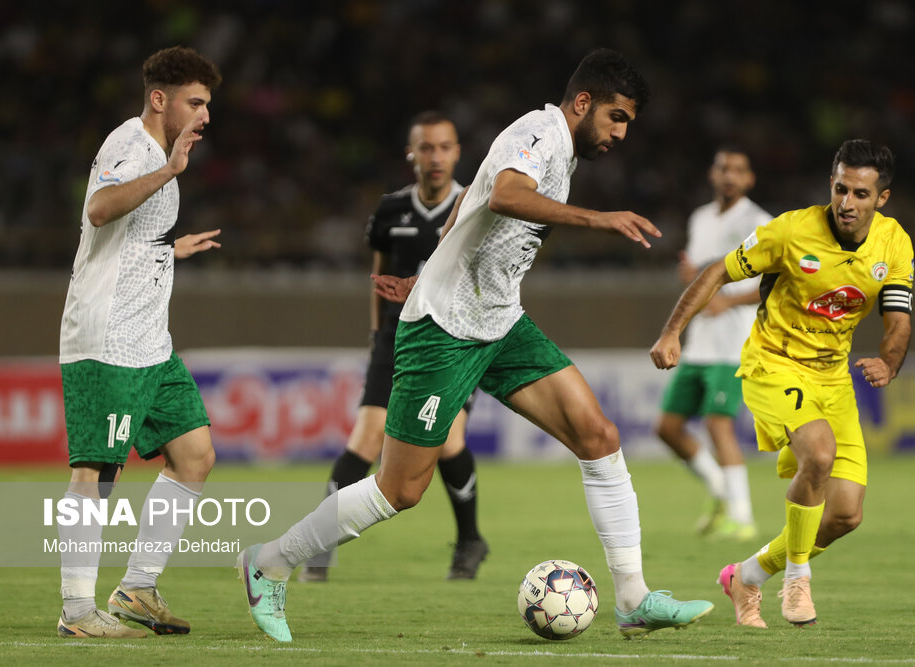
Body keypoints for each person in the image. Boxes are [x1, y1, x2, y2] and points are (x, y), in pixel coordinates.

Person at [238, 48, 714, 643]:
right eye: (616, 117)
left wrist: (431, 266)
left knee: (599, 436)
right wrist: (598, 219)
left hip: (500, 321)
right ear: (583, 102)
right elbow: (506, 195)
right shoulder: (539, 132)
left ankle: (634, 600)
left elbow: (469, 202)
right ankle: (269, 562)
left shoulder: (559, 151)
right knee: (400, 489)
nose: (621, 133)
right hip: (442, 331)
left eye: (628, 123)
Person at [650, 139, 913, 628]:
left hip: (832, 377)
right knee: (818, 455)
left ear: (882, 198)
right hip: (774, 364)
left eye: (860, 193)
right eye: (840, 189)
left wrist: (890, 361)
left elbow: (897, 319)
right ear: (830, 185)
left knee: (845, 516)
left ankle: (747, 575)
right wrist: (671, 332)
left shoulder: (894, 242)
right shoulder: (791, 231)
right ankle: (797, 580)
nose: (847, 202)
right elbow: (718, 271)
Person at [56, 46, 222, 638]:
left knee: (195, 455)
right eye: (195, 102)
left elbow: (126, 236)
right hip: (108, 337)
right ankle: (78, 612)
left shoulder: (155, 151)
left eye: (207, 104)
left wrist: (168, 249)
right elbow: (100, 209)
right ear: (159, 99)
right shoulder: (131, 145)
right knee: (97, 474)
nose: (205, 115)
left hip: (150, 340)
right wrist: (170, 172)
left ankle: (137, 588)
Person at [299, 111, 488, 583]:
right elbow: (379, 274)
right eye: (426, 147)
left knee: (449, 440)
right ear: (412, 154)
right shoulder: (390, 211)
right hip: (395, 340)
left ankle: (470, 541)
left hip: (454, 342)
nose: (435, 156)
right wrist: (375, 333)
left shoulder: (474, 206)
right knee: (365, 439)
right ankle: (319, 544)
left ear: (457, 153)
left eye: (444, 147)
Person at [655, 146, 770, 541]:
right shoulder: (700, 218)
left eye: (738, 170)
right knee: (667, 428)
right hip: (699, 343)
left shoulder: (759, 222)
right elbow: (702, 275)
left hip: (732, 343)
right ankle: (720, 490)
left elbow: (774, 284)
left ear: (749, 179)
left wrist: (729, 301)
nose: (729, 176)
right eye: (723, 168)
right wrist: (691, 276)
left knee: (718, 424)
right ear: (712, 174)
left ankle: (742, 516)